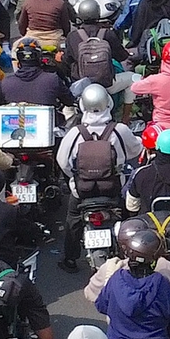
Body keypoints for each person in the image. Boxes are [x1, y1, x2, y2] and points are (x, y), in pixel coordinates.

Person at [56, 83, 144, 270]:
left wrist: (75, 178)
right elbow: (135, 150)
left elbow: (62, 162)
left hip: (82, 192)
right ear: (108, 104)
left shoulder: (74, 133)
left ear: (82, 106)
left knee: (72, 219)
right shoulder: (119, 130)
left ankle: (70, 259)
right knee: (128, 216)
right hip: (113, 189)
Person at [0, 39, 68, 107]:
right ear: (39, 58)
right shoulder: (52, 79)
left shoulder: (5, 83)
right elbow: (69, 100)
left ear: (18, 60)